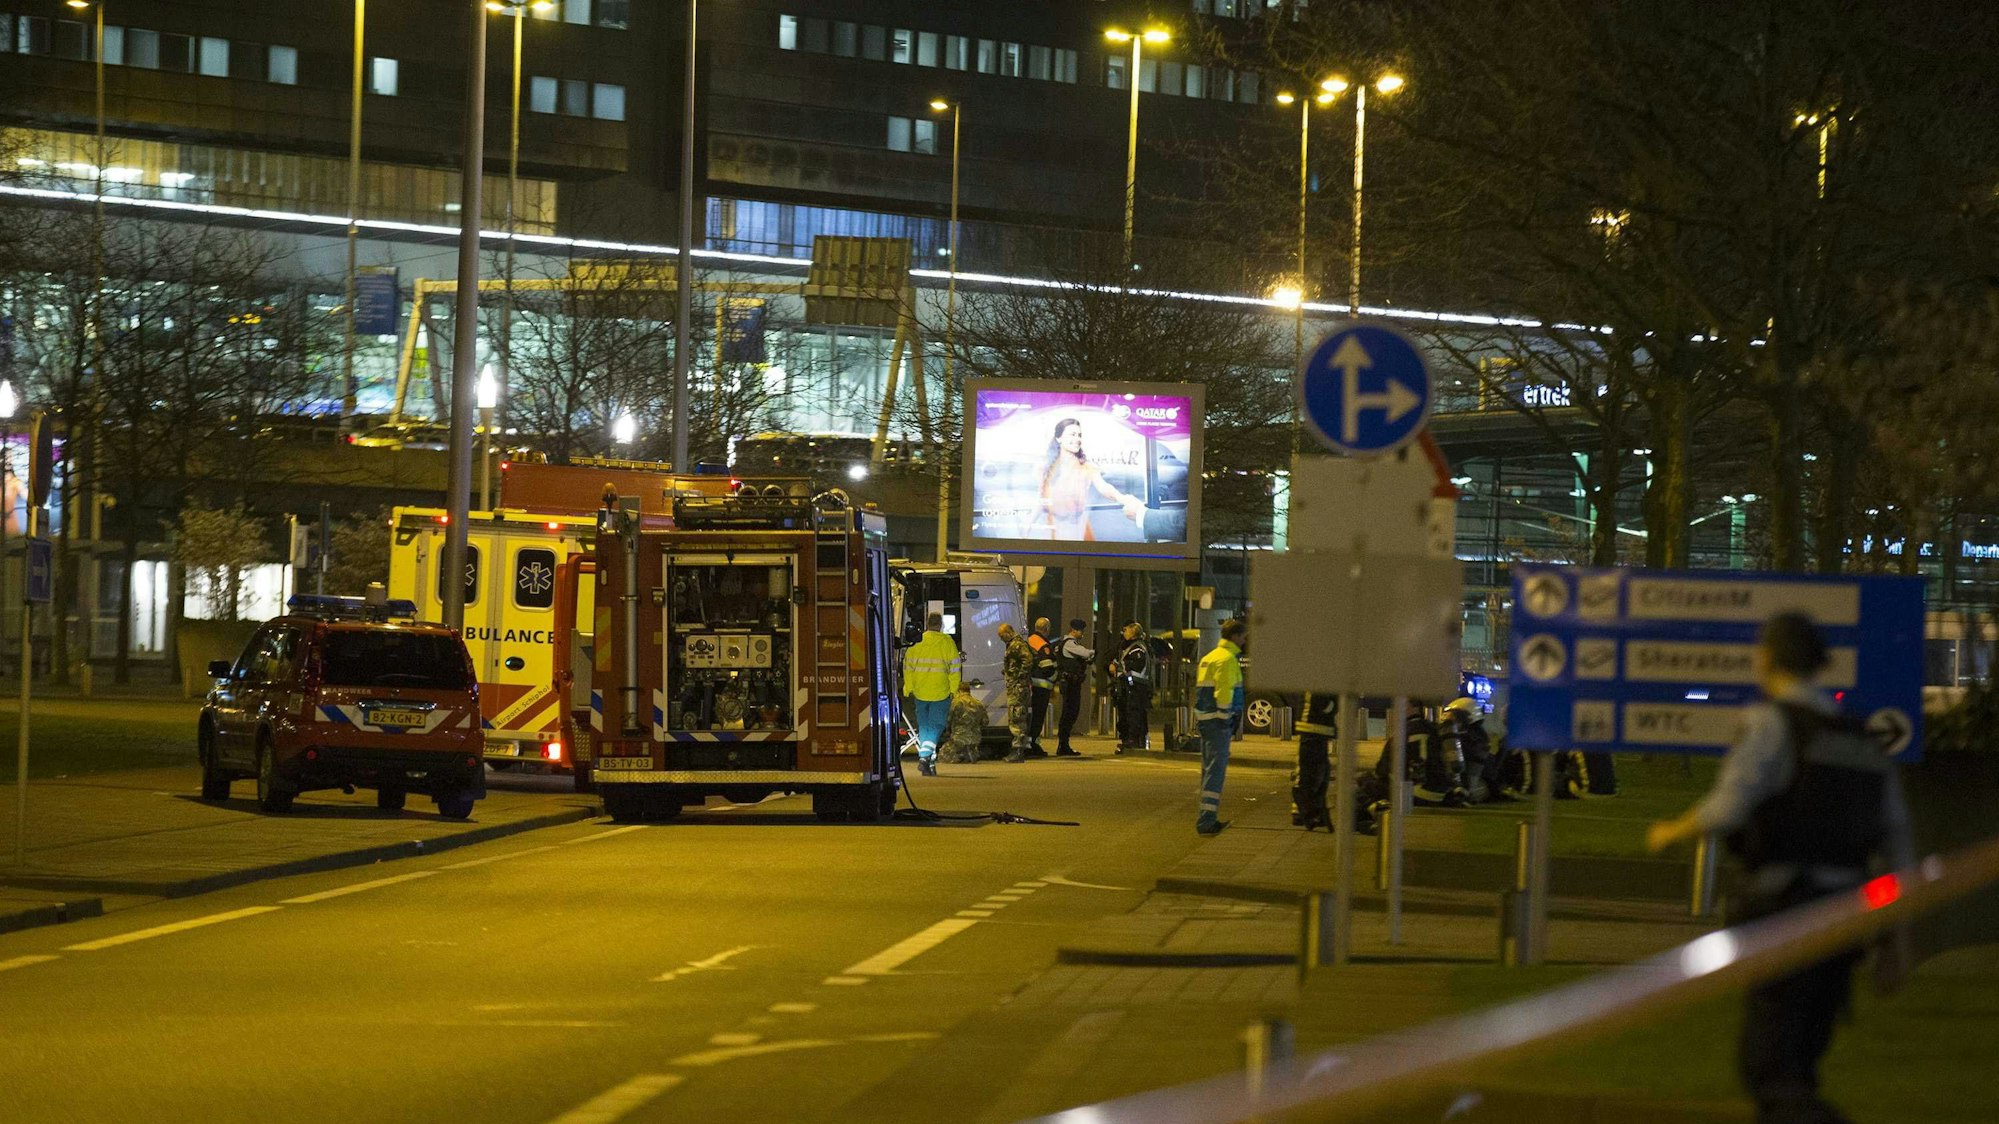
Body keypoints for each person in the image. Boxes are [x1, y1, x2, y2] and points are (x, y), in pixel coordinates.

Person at [1647, 613, 1914, 1124]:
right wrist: (1896, 936)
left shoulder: (1771, 723)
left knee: (1769, 1065)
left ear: (1766, 658)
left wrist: (1670, 832)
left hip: (1786, 908)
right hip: (1848, 916)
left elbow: (1728, 808)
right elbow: (1897, 840)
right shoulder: (1862, 737)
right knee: (1802, 1059)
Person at [1038, 417, 1144, 541]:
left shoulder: (1086, 466)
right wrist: (1027, 527)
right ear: (1059, 438)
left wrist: (1122, 498)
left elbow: (1104, 487)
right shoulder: (1047, 468)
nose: (1077, 439)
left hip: (1077, 531)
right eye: (1073, 434)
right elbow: (1040, 500)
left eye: (1079, 435)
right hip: (1052, 531)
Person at [1192, 618, 1247, 835]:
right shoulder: (1227, 660)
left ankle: (1205, 817)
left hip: (1205, 720)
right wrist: (1227, 718)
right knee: (1216, 771)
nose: (1244, 642)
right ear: (1234, 636)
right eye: (1243, 637)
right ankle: (1207, 821)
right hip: (1218, 722)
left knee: (1207, 770)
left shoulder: (1209, 657)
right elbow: (1223, 692)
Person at [901, 612, 962, 776]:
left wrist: (909, 687)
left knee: (925, 727)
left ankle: (930, 764)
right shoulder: (947, 642)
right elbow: (955, 669)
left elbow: (907, 667)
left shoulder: (917, 642)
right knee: (936, 726)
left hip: (920, 692)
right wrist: (953, 690)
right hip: (940, 692)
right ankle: (924, 756)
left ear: (927, 624)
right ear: (940, 625)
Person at [1291, 691, 1339, 831]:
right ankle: (1307, 814)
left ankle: (1309, 813)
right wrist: (1336, 703)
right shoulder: (1319, 678)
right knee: (1309, 776)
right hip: (1313, 730)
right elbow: (1324, 704)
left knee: (1318, 775)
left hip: (1316, 731)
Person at [1051, 619, 1094, 757]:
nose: (1082, 634)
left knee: (1069, 713)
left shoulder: (1064, 643)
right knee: (1070, 713)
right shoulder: (1069, 643)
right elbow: (1086, 653)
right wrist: (1094, 652)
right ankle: (1063, 745)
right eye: (1081, 631)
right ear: (1074, 630)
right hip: (1070, 684)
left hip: (1070, 683)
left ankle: (1064, 744)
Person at [998, 622, 1035, 763]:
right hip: (1017, 686)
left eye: (1002, 635)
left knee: (1017, 717)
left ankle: (1018, 750)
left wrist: (1018, 676)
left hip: (1018, 687)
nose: (1001, 639)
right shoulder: (1014, 644)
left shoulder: (1017, 645)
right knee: (1016, 716)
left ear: (1008, 632)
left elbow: (1028, 660)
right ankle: (1018, 748)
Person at [1112, 621, 1153, 751]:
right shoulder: (1130, 646)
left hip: (1136, 685)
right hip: (1132, 684)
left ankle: (1135, 740)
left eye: (1126, 630)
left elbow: (1132, 667)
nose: (1124, 633)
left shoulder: (1138, 648)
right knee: (1130, 712)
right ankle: (1131, 739)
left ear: (1133, 633)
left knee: (1134, 712)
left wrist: (1121, 669)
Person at [1025, 617, 1058, 757]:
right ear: (1047, 629)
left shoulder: (1029, 640)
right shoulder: (1043, 645)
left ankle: (1029, 743)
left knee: (1029, 717)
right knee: (1038, 717)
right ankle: (1033, 745)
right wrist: (1055, 675)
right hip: (1041, 687)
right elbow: (1047, 667)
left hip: (1030, 686)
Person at [943, 680, 989, 764]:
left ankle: (961, 754)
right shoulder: (978, 703)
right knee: (971, 744)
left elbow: (948, 719)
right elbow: (985, 722)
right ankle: (971, 752)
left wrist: (947, 731)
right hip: (975, 737)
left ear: (959, 690)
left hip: (960, 736)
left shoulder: (956, 702)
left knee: (944, 755)